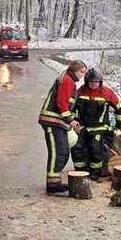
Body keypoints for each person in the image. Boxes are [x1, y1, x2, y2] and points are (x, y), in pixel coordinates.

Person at [38, 59, 86, 195]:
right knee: (58, 152)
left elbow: (67, 105)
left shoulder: (69, 80)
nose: (83, 75)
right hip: (52, 121)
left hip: (58, 122)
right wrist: (69, 120)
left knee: (63, 152)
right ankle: (52, 185)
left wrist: (71, 120)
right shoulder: (67, 81)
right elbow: (62, 102)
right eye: (82, 72)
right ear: (75, 70)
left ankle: (55, 182)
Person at [72, 68, 121, 182]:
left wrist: (120, 128)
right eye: (91, 82)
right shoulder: (80, 92)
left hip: (99, 128)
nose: (93, 84)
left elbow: (120, 109)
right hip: (82, 127)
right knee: (76, 147)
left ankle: (94, 174)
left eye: (96, 82)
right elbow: (71, 108)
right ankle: (80, 173)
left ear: (100, 81)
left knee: (95, 148)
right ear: (86, 81)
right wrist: (74, 121)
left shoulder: (107, 93)